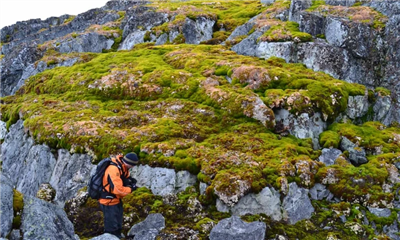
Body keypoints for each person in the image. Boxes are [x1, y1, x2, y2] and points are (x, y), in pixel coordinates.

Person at [99, 152, 139, 239]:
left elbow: (125, 179)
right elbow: (118, 190)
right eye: (133, 165)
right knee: (111, 227)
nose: (133, 168)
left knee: (118, 224)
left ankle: (118, 236)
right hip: (108, 201)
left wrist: (130, 182)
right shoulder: (114, 169)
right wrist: (131, 189)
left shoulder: (123, 167)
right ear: (130, 163)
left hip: (116, 200)